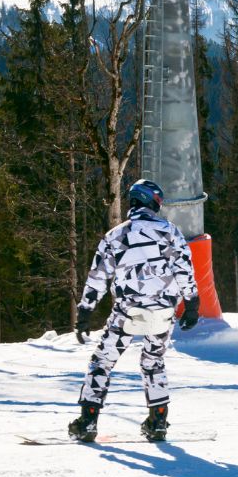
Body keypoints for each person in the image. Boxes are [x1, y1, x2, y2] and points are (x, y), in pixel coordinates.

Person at [68, 179, 200, 443]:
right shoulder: (170, 232)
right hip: (162, 312)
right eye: (158, 201)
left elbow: (98, 277)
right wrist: (192, 304)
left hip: (128, 311)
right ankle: (158, 421)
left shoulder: (115, 235)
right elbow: (184, 270)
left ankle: (88, 421)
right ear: (152, 201)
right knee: (153, 361)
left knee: (102, 361)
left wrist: (85, 312)